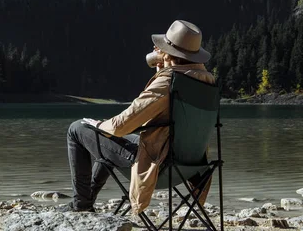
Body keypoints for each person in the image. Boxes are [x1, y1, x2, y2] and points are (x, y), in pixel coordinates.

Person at [65, 20, 215, 214]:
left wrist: (100, 125)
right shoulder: (206, 81)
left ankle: (82, 205)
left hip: (157, 166)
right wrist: (163, 69)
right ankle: (86, 200)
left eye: (163, 47)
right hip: (190, 166)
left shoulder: (168, 83)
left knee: (78, 129)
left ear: (169, 53)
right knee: (108, 137)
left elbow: (122, 125)